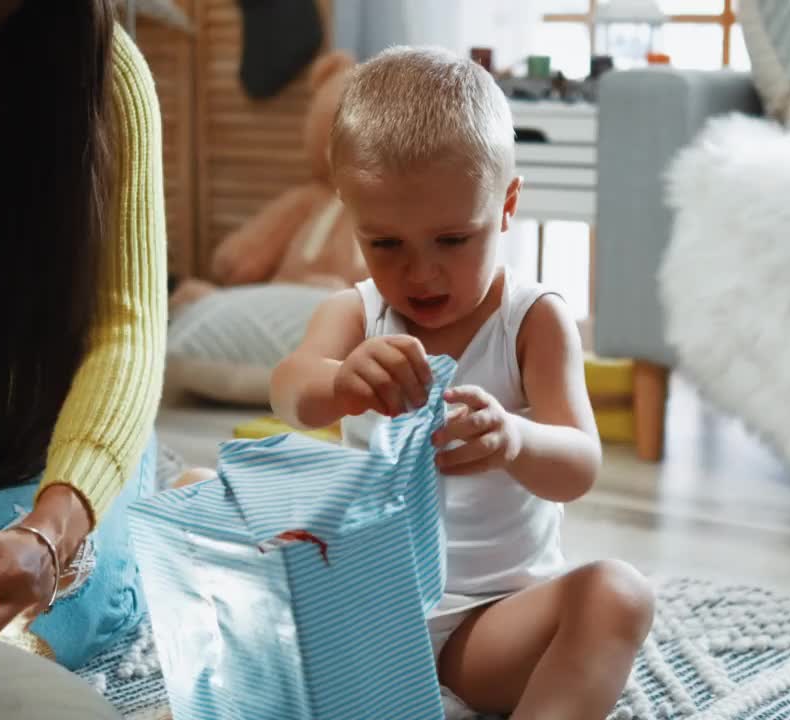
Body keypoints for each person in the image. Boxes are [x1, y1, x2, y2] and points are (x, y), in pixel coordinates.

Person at [272, 46, 655, 718]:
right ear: (352, 215)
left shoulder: (532, 321)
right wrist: (339, 381)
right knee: (210, 502)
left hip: (490, 626)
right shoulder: (356, 312)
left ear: (507, 205)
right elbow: (289, 392)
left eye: (453, 240)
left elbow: (579, 466)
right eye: (386, 244)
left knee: (617, 595)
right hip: (368, 620)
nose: (421, 276)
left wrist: (513, 439)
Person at [0, 0, 166, 677]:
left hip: (53, 437)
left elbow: (126, 330)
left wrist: (50, 533)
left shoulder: (105, 76)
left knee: (38, 631)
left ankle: (141, 490)